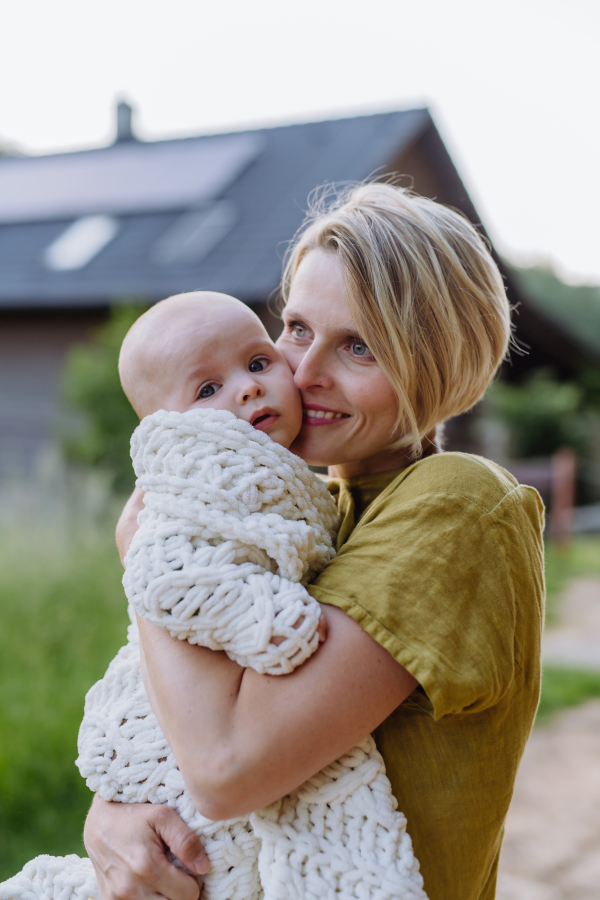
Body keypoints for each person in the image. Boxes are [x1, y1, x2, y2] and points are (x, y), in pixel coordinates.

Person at [84, 183, 545, 900]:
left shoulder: (457, 504)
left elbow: (227, 767)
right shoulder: (314, 513)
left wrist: (151, 557)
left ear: (438, 362)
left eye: (358, 347)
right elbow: (182, 731)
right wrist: (114, 815)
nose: (301, 373)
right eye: (296, 329)